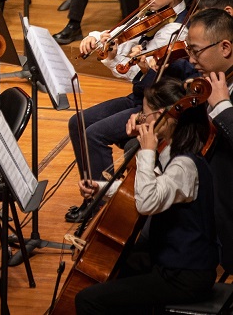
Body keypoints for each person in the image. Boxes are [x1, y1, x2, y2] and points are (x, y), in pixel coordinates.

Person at [63, 0, 199, 222]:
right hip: (139, 95)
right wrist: (97, 40)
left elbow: (137, 73)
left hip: (154, 106)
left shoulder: (178, 30)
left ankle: (105, 211)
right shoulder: (154, 14)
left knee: (94, 133)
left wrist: (118, 58)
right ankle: (94, 195)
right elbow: (120, 34)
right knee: (77, 122)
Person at [75, 78, 218, 313]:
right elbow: (146, 188)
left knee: (88, 300)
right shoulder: (173, 154)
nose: (141, 118)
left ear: (163, 116)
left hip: (184, 275)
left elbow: (146, 202)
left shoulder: (184, 166)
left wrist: (147, 150)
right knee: (117, 266)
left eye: (145, 113)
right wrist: (100, 188)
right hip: (172, 261)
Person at [186, 8, 233, 272]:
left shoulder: (220, 92)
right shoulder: (212, 81)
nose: (190, 59)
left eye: (196, 50)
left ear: (225, 47)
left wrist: (224, 108)